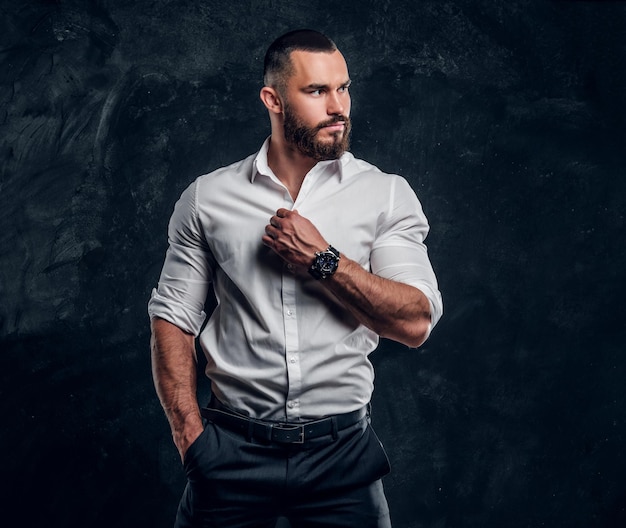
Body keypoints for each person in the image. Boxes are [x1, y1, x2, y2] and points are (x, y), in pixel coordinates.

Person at [148, 29, 443, 528]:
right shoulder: (208, 197)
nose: (338, 107)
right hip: (229, 452)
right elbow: (173, 316)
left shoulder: (385, 194)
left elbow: (414, 322)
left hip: (342, 457)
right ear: (273, 99)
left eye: (344, 88)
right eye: (317, 91)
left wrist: (324, 260)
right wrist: (188, 433)